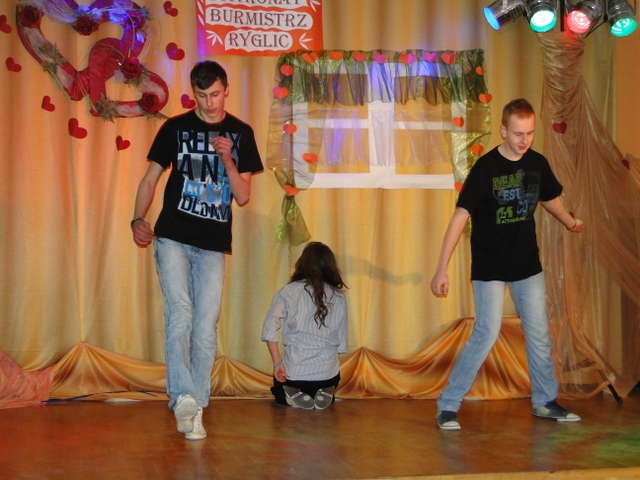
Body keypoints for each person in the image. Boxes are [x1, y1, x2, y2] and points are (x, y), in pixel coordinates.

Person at [430, 98, 584, 431]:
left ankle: (544, 401)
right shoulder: (486, 168)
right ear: (503, 130)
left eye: (529, 133)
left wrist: (570, 222)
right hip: (490, 267)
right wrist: (441, 269)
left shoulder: (538, 164)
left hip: (526, 265)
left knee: (539, 335)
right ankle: (448, 405)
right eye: (517, 133)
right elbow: (460, 216)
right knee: (486, 333)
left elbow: (551, 199)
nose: (524, 140)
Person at [131, 61, 263, 440]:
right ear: (194, 93)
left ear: (226, 90)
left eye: (215, 94)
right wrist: (137, 218)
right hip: (172, 236)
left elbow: (243, 195)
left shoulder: (241, 133)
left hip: (213, 244)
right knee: (181, 315)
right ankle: (183, 397)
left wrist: (227, 158)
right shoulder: (175, 128)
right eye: (202, 95)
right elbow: (150, 179)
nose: (209, 103)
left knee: (205, 328)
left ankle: (196, 409)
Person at [261, 242, 348, 410]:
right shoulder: (339, 297)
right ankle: (325, 392)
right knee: (329, 378)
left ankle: (292, 395)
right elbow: (341, 341)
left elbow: (269, 327)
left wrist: (277, 364)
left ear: (303, 263)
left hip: (295, 374)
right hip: (328, 375)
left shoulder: (289, 291)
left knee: (278, 390)